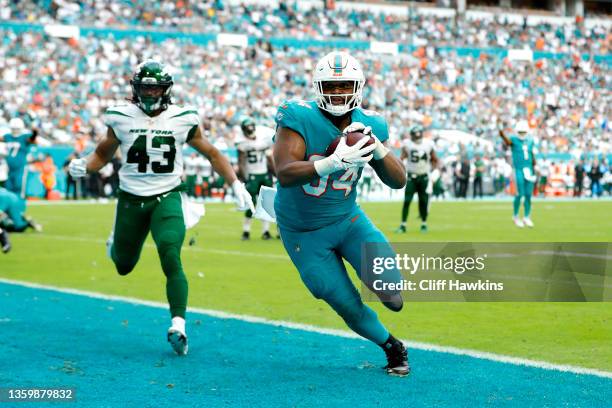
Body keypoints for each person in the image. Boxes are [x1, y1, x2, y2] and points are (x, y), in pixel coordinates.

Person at [68, 60, 253, 356]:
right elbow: (102, 154)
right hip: (130, 198)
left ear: (166, 89)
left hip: (168, 195)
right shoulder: (120, 116)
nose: (150, 92)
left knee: (170, 250)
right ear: (135, 88)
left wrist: (234, 183)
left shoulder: (184, 118)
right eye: (145, 87)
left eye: (155, 87)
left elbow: (212, 152)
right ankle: (114, 244)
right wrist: (85, 166)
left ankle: (178, 325)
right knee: (124, 266)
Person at [273, 51, 409, 376]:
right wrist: (331, 163)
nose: (337, 93)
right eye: (331, 86)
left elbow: (399, 179)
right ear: (318, 87)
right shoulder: (298, 116)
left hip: (348, 220)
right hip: (303, 232)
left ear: (358, 86)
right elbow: (285, 172)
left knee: (393, 295)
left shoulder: (370, 123)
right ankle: (392, 346)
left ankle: (389, 319)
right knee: (343, 300)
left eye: (344, 85)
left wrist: (376, 147)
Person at [236, 117, 274, 240]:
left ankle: (263, 231)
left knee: (265, 204)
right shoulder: (261, 142)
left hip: (258, 175)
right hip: (255, 175)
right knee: (252, 203)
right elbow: (241, 162)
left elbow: (241, 162)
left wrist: (243, 177)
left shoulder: (243, 144)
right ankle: (248, 231)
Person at [396, 125, 438, 233]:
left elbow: (434, 160)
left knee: (423, 201)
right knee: (407, 200)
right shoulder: (407, 145)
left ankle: (424, 223)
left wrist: (432, 171)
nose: (417, 138)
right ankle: (403, 224)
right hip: (411, 177)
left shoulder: (428, 144)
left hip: (424, 176)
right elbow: (401, 158)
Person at [499, 120, 536, 228]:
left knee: (529, 195)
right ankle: (515, 216)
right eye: (520, 132)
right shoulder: (513, 139)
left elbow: (531, 153)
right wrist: (502, 135)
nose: (522, 134)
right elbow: (507, 142)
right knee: (519, 194)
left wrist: (534, 164)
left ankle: (527, 217)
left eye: (524, 132)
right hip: (518, 169)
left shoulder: (530, 140)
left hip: (529, 169)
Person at [0, 118, 38, 197]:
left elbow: (33, 140)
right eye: (13, 129)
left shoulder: (24, 137)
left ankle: (20, 205)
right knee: (9, 187)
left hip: (21, 167)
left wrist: (35, 133)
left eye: (17, 129)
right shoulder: (8, 136)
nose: (15, 131)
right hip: (9, 168)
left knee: (19, 186)